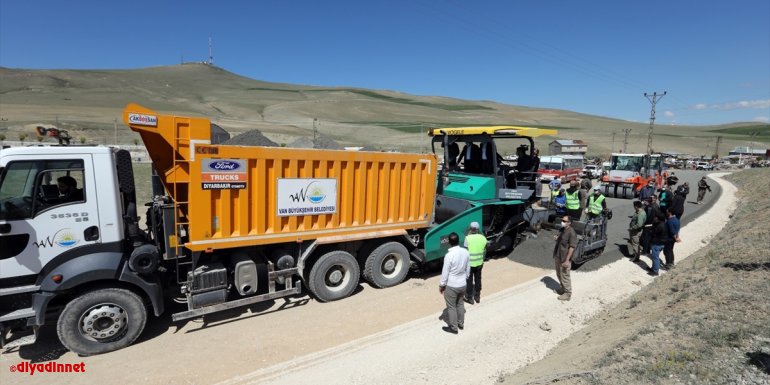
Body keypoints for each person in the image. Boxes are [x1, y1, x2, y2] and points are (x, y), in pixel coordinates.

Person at [438, 232, 470, 334]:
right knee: (460, 303)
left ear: (449, 242)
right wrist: (466, 277)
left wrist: (442, 285)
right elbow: (468, 267)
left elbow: (445, 272)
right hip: (463, 283)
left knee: (451, 306)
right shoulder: (465, 252)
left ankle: (453, 328)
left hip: (452, 285)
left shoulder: (449, 255)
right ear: (458, 240)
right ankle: (461, 324)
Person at [553, 215, 577, 301]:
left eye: (564, 221)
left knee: (565, 276)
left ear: (569, 223)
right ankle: (562, 289)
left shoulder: (572, 233)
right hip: (558, 255)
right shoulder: (562, 229)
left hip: (564, 258)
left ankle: (567, 293)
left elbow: (572, 247)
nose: (562, 222)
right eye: (562, 220)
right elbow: (561, 240)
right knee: (559, 274)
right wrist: (557, 238)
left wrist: (567, 261)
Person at [463, 222, 488, 304]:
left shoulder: (467, 238)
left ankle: (469, 298)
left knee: (469, 281)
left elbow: (465, 251)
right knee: (478, 279)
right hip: (479, 263)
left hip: (470, 264)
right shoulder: (483, 238)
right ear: (478, 229)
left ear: (470, 228)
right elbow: (484, 249)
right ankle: (477, 296)